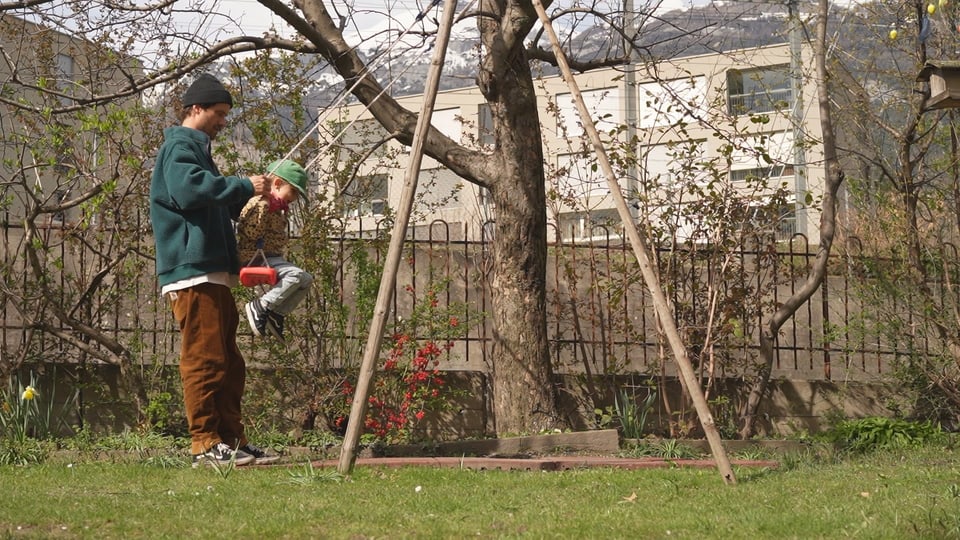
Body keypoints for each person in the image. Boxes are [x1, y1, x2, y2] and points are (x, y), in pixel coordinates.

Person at [149, 72, 279, 468]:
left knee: (228, 361)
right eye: (219, 113)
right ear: (196, 109)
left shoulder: (198, 150)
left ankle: (230, 440)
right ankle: (204, 444)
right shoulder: (178, 147)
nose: (223, 121)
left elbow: (209, 198)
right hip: (192, 273)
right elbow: (191, 191)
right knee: (205, 358)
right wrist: (242, 185)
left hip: (213, 273)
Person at [236, 159, 314, 341]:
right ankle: (261, 305)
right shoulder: (261, 203)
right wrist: (267, 209)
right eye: (293, 191)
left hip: (271, 257)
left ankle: (276, 314)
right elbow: (249, 231)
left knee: (306, 279)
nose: (293, 198)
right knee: (295, 275)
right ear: (277, 184)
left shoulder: (276, 207)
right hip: (255, 257)